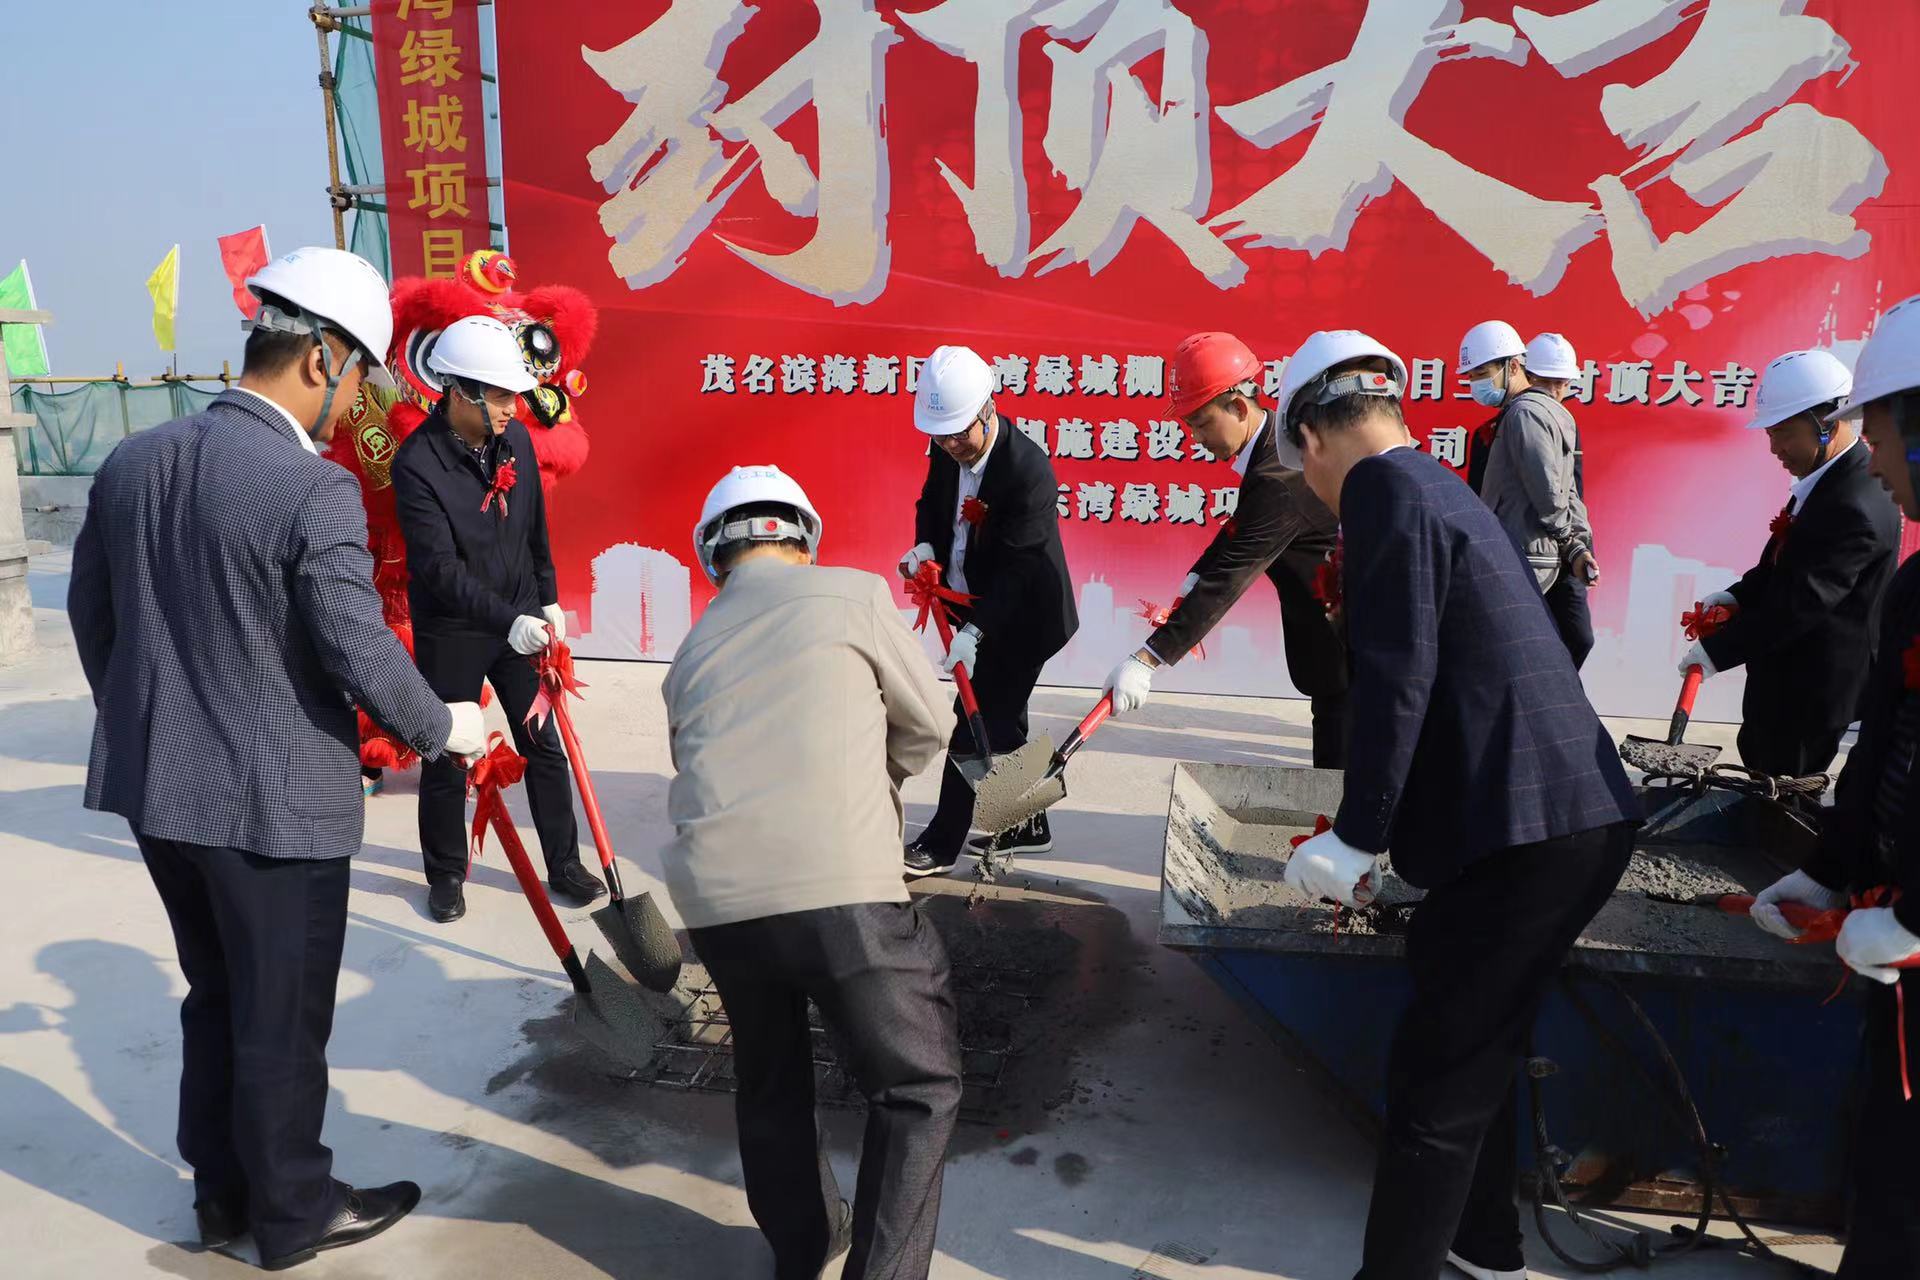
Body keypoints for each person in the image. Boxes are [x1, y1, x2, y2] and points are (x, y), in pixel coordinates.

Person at [66, 247, 488, 1270]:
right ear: (321, 357)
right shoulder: (310, 488)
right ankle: (295, 1209)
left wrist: (148, 718)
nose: (358, 405)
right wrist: (444, 727)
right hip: (275, 806)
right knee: (282, 1016)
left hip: (161, 794)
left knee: (216, 992)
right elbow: (356, 646)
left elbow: (91, 613)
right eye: (361, 378)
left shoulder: (134, 461)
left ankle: (223, 1196)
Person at [1275, 329, 1640, 1280]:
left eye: (1301, 467)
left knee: (1436, 1080)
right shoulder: (1432, 481)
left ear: (1312, 436)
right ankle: (1485, 1246)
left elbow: (1398, 675)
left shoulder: (1382, 489)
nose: (1312, 486)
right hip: (1553, 821)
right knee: (1475, 1034)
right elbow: (1445, 677)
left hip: (1538, 828)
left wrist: (1358, 836)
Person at [663, 465, 962, 1280]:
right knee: (917, 1086)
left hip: (716, 902)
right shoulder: (855, 595)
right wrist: (868, 781)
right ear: (803, 540)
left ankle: (802, 1247)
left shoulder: (689, 651)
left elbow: (697, 763)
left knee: (770, 1077)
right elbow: (931, 722)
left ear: (715, 557)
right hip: (842, 890)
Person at [1744, 294, 1920, 1278]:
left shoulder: (1862, 511)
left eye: (1883, 434)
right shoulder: (1918, 586)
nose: (1876, 460)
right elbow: (1888, 743)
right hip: (1897, 934)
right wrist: (1831, 868)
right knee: (1886, 1160)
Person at [390, 315, 605, 923]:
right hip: (453, 630)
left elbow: (536, 531)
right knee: (447, 753)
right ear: (460, 392)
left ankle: (564, 863)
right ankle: (446, 874)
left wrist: (548, 599)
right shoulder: (417, 463)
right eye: (501, 394)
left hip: (520, 621)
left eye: (515, 393)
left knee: (543, 743)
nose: (514, 406)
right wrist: (510, 619)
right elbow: (439, 569)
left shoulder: (518, 445)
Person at [1101, 332, 1350, 765]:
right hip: (1334, 651)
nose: (1196, 438)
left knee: (1343, 782)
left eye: (1201, 423)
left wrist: (1148, 659)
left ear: (1237, 407)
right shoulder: (1276, 446)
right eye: (1189, 426)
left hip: (1352, 653)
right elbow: (1240, 529)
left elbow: (1230, 577)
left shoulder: (1280, 474)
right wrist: (1196, 573)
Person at [899, 345, 1077, 877]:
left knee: (973, 719)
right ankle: (1029, 824)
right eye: (941, 436)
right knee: (1004, 719)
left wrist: (975, 634)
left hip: (1024, 618)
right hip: (970, 605)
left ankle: (942, 842)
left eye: (959, 433)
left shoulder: (1028, 471)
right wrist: (925, 546)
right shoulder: (945, 446)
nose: (950, 444)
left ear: (988, 409)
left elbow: (1018, 572)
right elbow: (931, 503)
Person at [1682, 348, 1902, 780]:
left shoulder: (1853, 502)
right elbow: (1786, 565)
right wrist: (1736, 596)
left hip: (1811, 693)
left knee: (1785, 795)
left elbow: (1801, 602)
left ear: (1826, 423)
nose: (1775, 449)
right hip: (1789, 679)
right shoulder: (1831, 480)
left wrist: (1717, 651)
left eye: (1783, 433)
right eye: (1770, 434)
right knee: (1764, 776)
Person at [1457, 320, 1600, 665]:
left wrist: (1574, 545)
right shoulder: (1515, 417)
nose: (1477, 383)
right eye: (1472, 376)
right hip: (1525, 552)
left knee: (1544, 647)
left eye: (1482, 373)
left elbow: (1554, 493)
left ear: (1514, 367)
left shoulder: (1526, 415)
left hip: (1532, 557)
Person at [1521, 332, 1596, 668]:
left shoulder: (1566, 425)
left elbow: (1572, 490)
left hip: (1564, 550)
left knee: (1578, 637)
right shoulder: (1508, 423)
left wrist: (1580, 548)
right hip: (1524, 552)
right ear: (1527, 376)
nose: (1554, 392)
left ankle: (1556, 693)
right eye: (1546, 382)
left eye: (1560, 383)